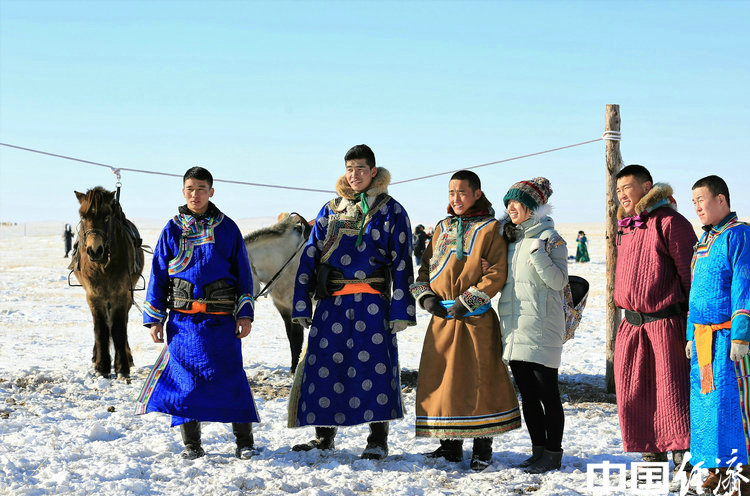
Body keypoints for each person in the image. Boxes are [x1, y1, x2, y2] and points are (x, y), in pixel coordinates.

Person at [288, 144, 415, 460]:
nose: (354, 175)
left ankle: (377, 440)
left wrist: (401, 309)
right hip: (331, 302)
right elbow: (309, 256)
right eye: (349, 169)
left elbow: (402, 262)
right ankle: (324, 437)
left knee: (375, 368)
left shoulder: (391, 210)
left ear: (373, 171)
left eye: (360, 169)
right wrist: (301, 302)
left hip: (372, 302)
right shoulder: (330, 209)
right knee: (324, 365)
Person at [136, 166, 258, 460]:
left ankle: (244, 442)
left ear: (211, 192)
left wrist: (244, 314)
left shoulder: (227, 228)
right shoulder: (172, 229)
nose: (195, 194)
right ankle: (192, 444)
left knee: (231, 379)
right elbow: (159, 276)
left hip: (221, 321)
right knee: (186, 384)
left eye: (201, 189)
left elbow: (243, 274)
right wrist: (154, 319)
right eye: (190, 189)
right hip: (183, 323)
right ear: (183, 192)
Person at [411, 170, 521, 472]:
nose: (456, 198)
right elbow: (424, 269)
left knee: (479, 380)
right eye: (451, 192)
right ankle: (450, 445)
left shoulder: (491, 228)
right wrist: (426, 298)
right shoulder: (441, 227)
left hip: (475, 318)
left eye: (462, 192)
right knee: (444, 380)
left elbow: (496, 272)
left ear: (476, 194)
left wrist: (467, 301)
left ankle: (482, 447)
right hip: (442, 318)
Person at [685, 175, 750, 496]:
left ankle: (743, 482)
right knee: (708, 412)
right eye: (693, 201)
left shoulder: (740, 234)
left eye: (701, 199)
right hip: (704, 341)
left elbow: (746, 283)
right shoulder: (705, 241)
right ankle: (717, 472)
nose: (697, 206)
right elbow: (696, 295)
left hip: (730, 340)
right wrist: (691, 334)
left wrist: (741, 334)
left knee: (736, 411)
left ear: (721, 200)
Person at [613, 164, 696, 479]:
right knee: (636, 394)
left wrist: (692, 326)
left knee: (672, 393)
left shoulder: (671, 223)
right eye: (618, 190)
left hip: (666, 323)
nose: (622, 195)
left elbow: (691, 278)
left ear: (646, 187)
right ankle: (652, 457)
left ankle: (684, 459)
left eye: (628, 188)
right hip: (632, 326)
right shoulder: (628, 226)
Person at [497, 179, 568, 474]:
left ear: (533, 207)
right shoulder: (510, 240)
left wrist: (538, 254)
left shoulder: (551, 238)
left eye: (517, 202)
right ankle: (537, 450)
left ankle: (553, 453)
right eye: (508, 203)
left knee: (547, 393)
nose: (511, 207)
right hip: (515, 327)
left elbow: (558, 281)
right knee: (527, 395)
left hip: (542, 326)